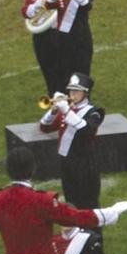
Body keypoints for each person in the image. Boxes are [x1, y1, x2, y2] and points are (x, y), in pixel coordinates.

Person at [21, 0, 95, 96]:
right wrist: (40, 2)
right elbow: (27, 13)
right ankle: (56, 104)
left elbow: (86, 5)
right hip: (45, 40)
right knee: (51, 74)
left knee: (76, 72)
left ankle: (79, 103)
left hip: (71, 39)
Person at [38, 72, 103, 209]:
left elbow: (86, 130)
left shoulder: (94, 112)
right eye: (71, 90)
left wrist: (66, 110)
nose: (72, 94)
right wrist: (53, 110)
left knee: (87, 204)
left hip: (85, 165)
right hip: (67, 163)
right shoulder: (68, 110)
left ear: (85, 93)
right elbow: (45, 127)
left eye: (76, 91)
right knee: (71, 203)